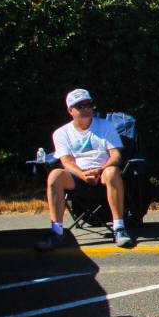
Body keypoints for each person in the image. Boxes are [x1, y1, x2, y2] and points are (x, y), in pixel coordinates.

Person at [36, 89, 135, 251]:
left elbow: (116, 155)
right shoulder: (61, 133)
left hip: (103, 173)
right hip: (77, 174)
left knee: (113, 172)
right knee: (54, 176)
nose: (86, 108)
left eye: (89, 104)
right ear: (70, 110)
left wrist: (100, 169)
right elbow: (66, 162)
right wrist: (83, 175)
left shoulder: (105, 126)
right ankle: (57, 231)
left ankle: (119, 228)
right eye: (80, 106)